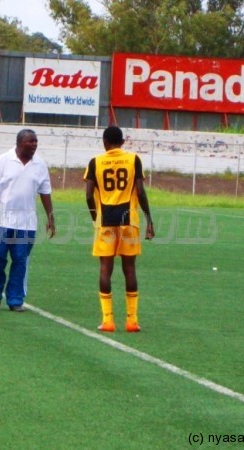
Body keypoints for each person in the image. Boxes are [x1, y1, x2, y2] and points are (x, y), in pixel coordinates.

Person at [84, 126, 154, 333]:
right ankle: (132, 321)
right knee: (129, 269)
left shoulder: (96, 161)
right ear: (122, 142)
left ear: (104, 142)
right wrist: (149, 219)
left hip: (105, 221)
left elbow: (88, 195)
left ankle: (108, 321)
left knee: (105, 269)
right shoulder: (134, 159)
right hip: (128, 221)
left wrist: (95, 218)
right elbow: (140, 191)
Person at [0, 129, 55, 312]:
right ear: (20, 142)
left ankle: (15, 300)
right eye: (31, 141)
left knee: (20, 261)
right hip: (0, 220)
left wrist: (50, 217)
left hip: (26, 224)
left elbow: (45, 192)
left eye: (36, 141)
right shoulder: (4, 160)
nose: (34, 144)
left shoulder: (40, 164)